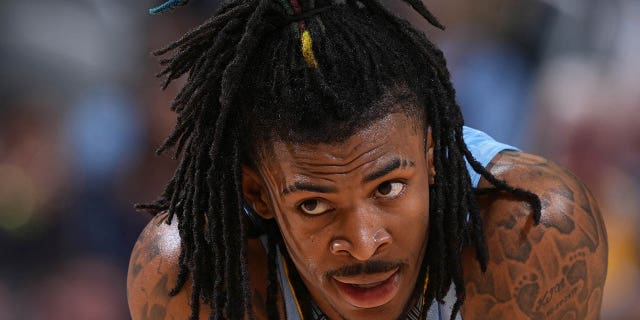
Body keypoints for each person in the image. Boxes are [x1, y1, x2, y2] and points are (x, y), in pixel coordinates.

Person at [127, 0, 608, 319]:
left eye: (389, 188)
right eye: (314, 205)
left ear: (433, 155)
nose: (363, 244)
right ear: (258, 194)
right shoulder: (190, 273)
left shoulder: (533, 232)